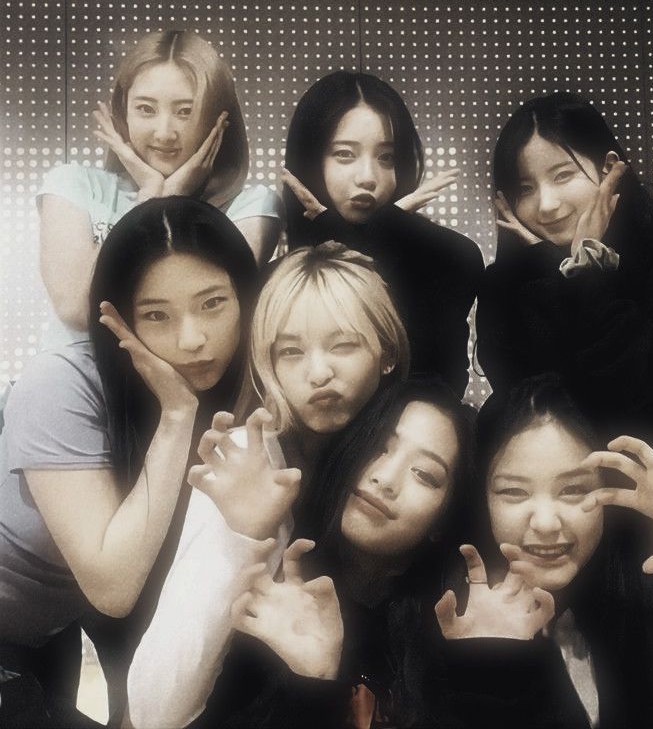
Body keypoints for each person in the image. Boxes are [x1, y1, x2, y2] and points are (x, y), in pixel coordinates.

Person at [126, 241, 410, 728]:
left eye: (343, 345)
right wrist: (245, 535)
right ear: (268, 365)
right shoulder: (250, 458)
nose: (318, 373)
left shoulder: (405, 449)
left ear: (386, 353)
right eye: (291, 352)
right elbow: (155, 708)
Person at [0, 196, 259, 727]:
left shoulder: (239, 395)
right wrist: (177, 417)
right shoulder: (63, 383)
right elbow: (114, 587)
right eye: (156, 314)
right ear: (116, 316)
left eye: (213, 303)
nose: (193, 339)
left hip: (50, 631)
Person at [460, 373, 653, 728]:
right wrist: (488, 666)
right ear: (481, 500)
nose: (546, 523)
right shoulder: (450, 625)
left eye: (573, 490)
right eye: (514, 492)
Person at [476, 91, 653, 468]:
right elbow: (527, 405)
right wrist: (553, 266)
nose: (546, 204)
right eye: (525, 188)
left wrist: (586, 268)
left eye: (562, 175)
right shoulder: (503, 283)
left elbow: (627, 383)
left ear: (608, 168)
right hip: (553, 487)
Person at [38, 29, 280, 346]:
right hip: (71, 371)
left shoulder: (252, 206)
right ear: (122, 111)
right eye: (146, 109)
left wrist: (171, 202)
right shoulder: (73, 185)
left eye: (185, 111)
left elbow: (191, 320)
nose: (164, 133)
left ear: (219, 121)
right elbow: (78, 310)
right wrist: (150, 199)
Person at [282, 70, 484, 397]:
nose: (368, 177)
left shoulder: (450, 257)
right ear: (309, 161)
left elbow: (438, 388)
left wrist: (378, 238)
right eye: (345, 154)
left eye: (386, 157)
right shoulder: (280, 277)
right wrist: (350, 244)